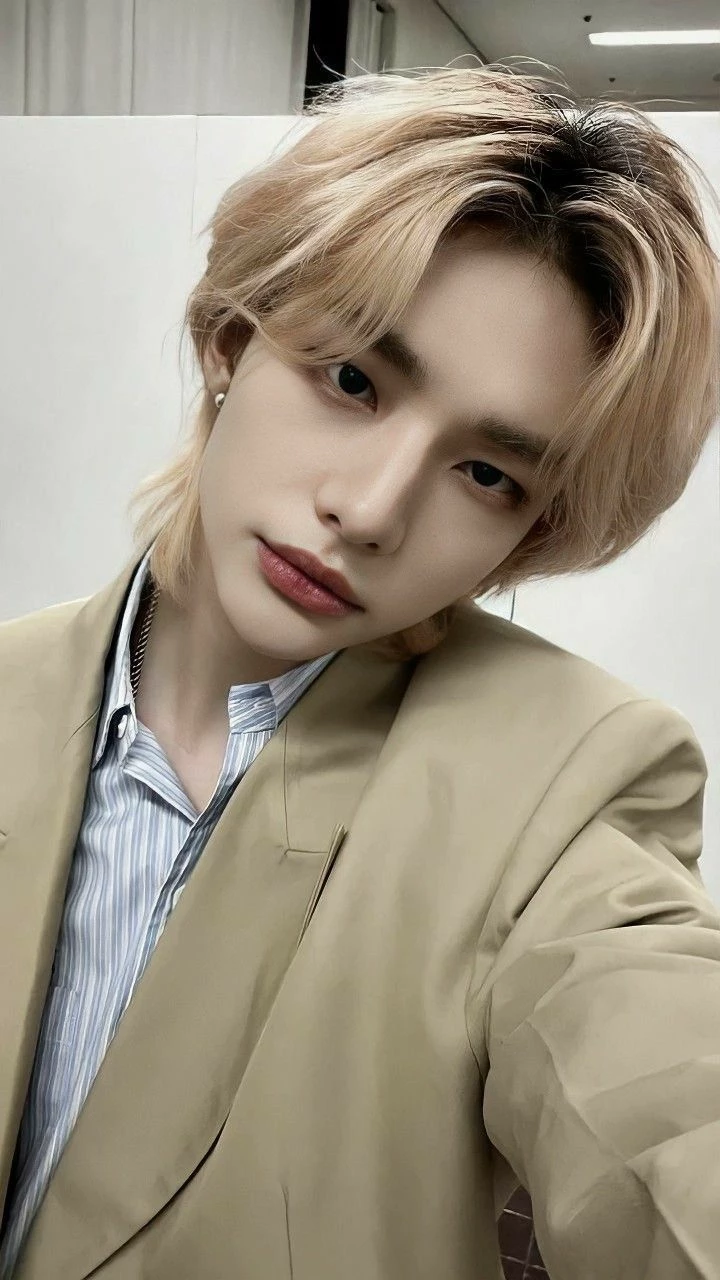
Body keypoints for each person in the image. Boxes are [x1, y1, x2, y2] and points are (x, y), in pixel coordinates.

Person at [0, 61, 719, 1280]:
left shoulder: (569, 780)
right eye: (352, 381)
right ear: (233, 337)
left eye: (487, 473)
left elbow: (661, 1092)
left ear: (528, 533)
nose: (373, 509)